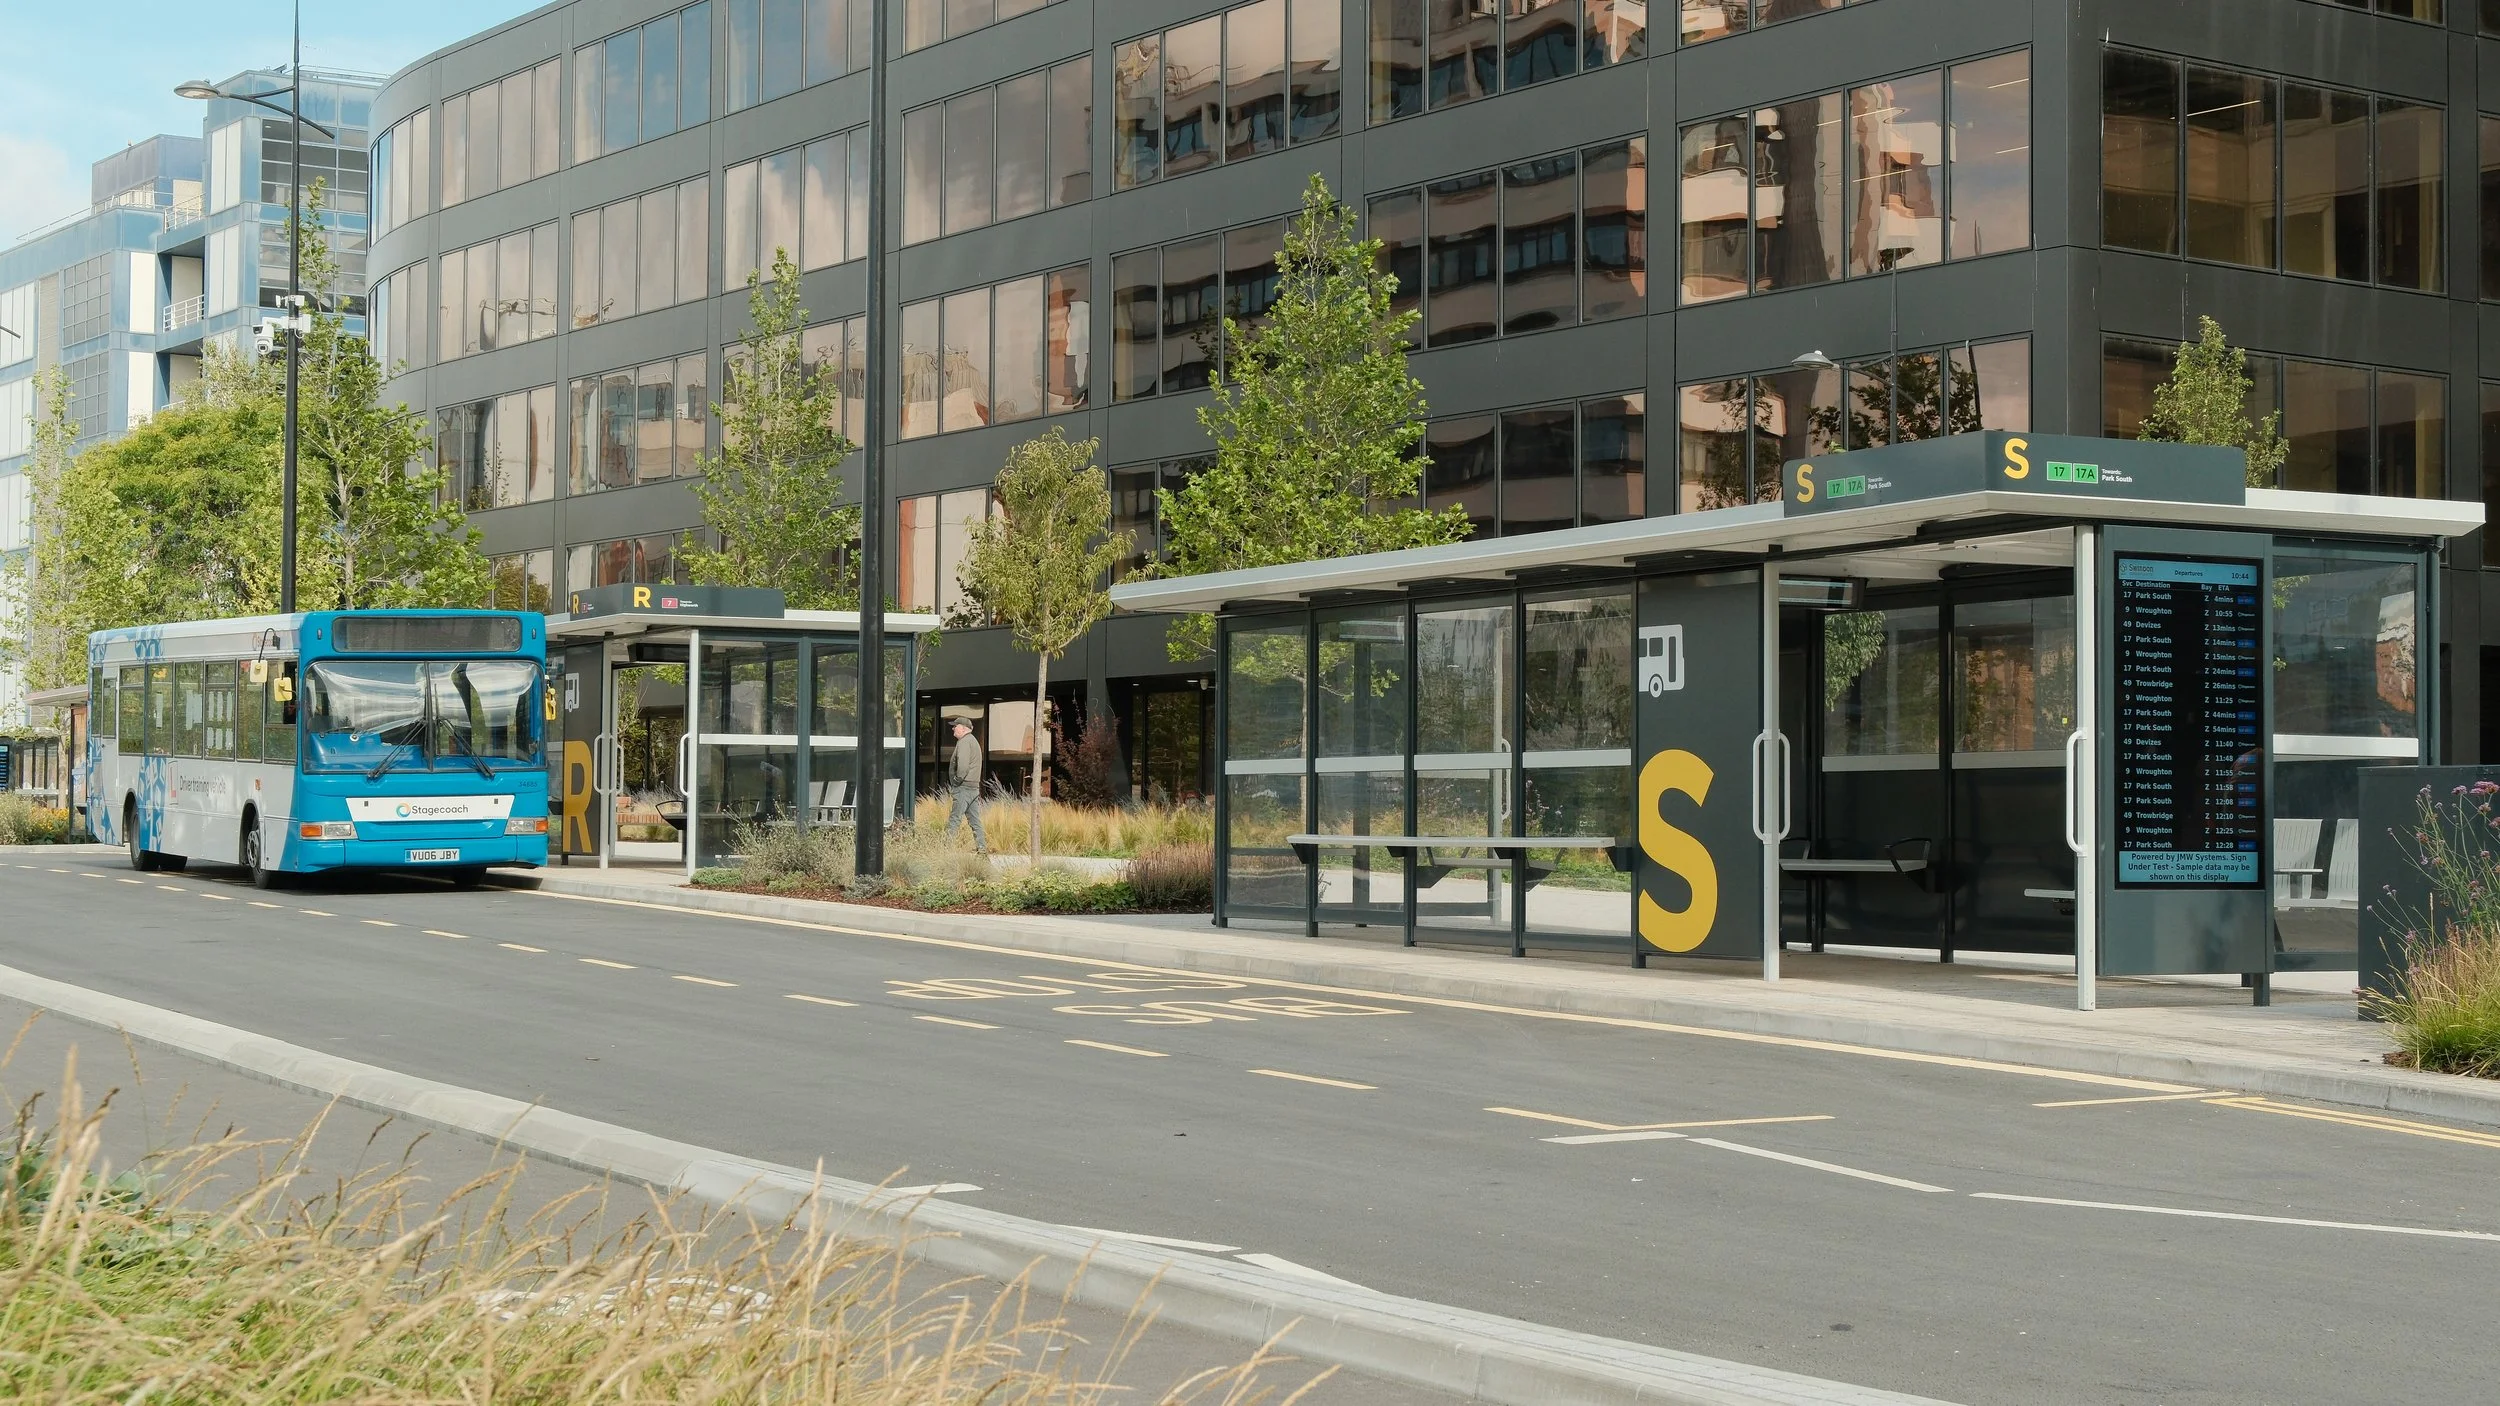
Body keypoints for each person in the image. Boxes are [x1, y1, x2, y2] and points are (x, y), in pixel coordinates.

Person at [943, 717, 988, 854]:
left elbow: (962, 766)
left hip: (964, 788)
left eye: (955, 726)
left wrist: (957, 780)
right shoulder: (973, 741)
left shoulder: (964, 742)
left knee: (954, 820)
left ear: (963, 728)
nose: (953, 728)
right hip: (973, 788)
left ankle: (945, 850)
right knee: (974, 821)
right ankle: (982, 849)